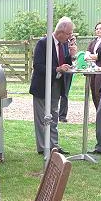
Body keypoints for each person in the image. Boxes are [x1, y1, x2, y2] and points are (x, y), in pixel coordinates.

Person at [29, 17, 77, 155]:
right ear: (60, 32)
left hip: (57, 84)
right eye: (69, 34)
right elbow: (37, 66)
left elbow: (66, 63)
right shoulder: (43, 43)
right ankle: (43, 147)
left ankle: (54, 146)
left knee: (54, 115)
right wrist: (57, 69)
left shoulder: (64, 44)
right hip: (42, 85)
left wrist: (72, 56)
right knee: (41, 118)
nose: (70, 37)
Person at [85, 21, 101, 109]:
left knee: (98, 91)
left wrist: (93, 56)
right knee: (93, 91)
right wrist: (93, 57)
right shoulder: (93, 42)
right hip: (92, 69)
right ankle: (98, 114)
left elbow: (99, 56)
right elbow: (86, 55)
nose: (98, 30)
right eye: (97, 29)